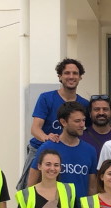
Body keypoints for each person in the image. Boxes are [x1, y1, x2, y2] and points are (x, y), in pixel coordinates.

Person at [18, 58, 88, 189]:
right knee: (27, 189)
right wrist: (47, 138)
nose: (71, 76)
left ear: (80, 77)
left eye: (75, 73)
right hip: (41, 149)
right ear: (60, 76)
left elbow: (91, 127)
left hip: (67, 151)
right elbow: (35, 128)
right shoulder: (46, 98)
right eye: (67, 73)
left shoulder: (84, 104)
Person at [81, 94, 111, 159]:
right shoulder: (81, 137)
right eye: (96, 109)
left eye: (105, 109)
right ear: (90, 113)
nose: (101, 113)